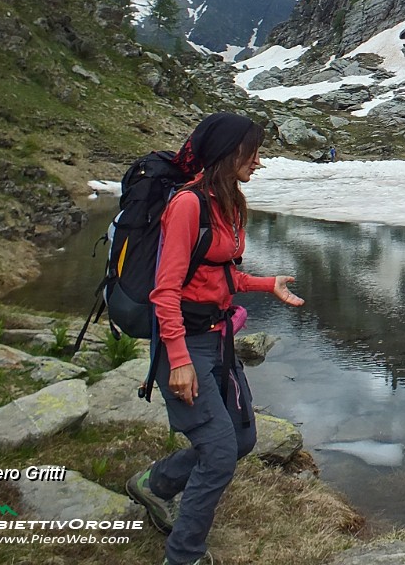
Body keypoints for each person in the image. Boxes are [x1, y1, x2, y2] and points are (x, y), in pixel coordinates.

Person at [126, 113, 304, 565]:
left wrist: (266, 285)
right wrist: (179, 360)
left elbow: (218, 274)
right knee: (221, 453)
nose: (259, 162)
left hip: (218, 340)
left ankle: (155, 485)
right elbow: (165, 290)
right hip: (184, 344)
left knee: (242, 440)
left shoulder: (229, 201)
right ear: (228, 153)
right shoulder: (188, 204)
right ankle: (183, 555)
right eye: (252, 152)